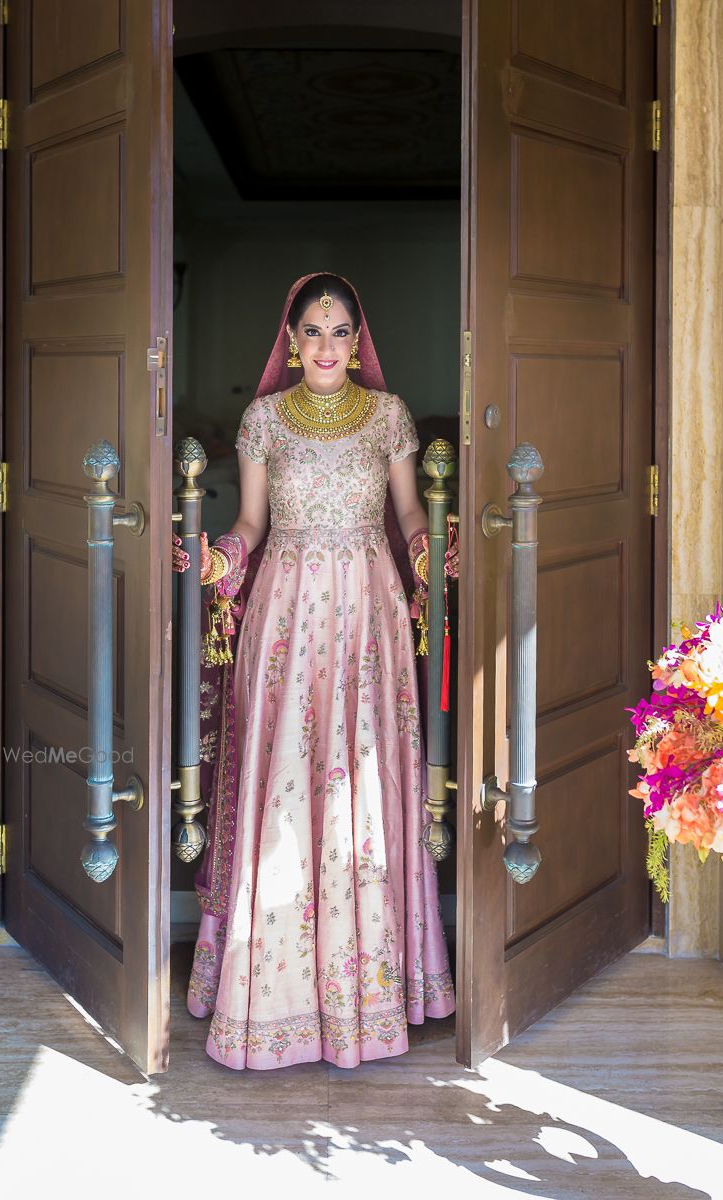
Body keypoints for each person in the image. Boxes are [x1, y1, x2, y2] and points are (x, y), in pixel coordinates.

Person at [175, 273, 457, 1070]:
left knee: (365, 780)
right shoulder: (263, 419)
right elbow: (251, 522)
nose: (328, 344)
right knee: (288, 781)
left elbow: (407, 514)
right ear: (291, 342)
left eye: (341, 330)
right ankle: (275, 997)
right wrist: (216, 558)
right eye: (313, 330)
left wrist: (431, 547)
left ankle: (371, 994)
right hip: (287, 612)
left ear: (358, 340)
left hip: (370, 606)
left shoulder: (389, 416)